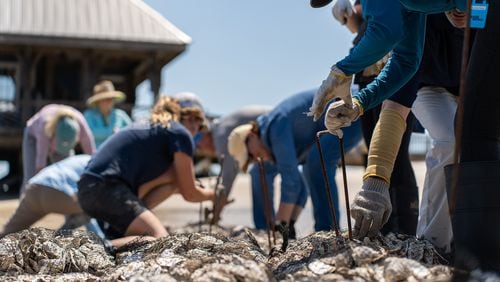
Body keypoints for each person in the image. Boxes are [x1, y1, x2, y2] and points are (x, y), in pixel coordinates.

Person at [77, 96, 214, 248]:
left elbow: (175, 185)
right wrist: (214, 195)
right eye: (191, 118)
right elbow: (190, 193)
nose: (195, 126)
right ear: (180, 115)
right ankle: (91, 250)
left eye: (199, 123)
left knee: (174, 183)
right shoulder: (180, 133)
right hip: (107, 188)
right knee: (160, 240)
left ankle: (107, 245)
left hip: (89, 189)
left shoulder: (152, 128)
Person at [332, 0, 419, 236]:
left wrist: (352, 11)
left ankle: (405, 230)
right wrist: (348, 18)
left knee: (396, 156)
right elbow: (362, 27)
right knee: (373, 151)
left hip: (393, 74)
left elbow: (388, 25)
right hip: (369, 79)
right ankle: (383, 226)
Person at [227, 90, 362, 236]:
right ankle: (325, 230)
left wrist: (280, 225)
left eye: (250, 155)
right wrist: (289, 224)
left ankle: (327, 232)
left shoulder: (275, 127)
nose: (255, 159)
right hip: (342, 113)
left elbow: (291, 183)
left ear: (252, 136)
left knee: (317, 162)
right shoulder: (271, 137)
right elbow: (300, 188)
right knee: (311, 166)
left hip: (352, 107)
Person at [196, 105, 272, 222]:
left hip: (274, 133)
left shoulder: (221, 137)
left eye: (197, 141)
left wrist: (216, 214)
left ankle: (268, 225)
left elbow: (228, 177)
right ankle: (281, 224)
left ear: (205, 133)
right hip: (274, 133)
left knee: (258, 173)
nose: (199, 148)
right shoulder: (222, 127)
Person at [1, 155, 103, 238]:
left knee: (9, 232)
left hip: (33, 188)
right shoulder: (98, 164)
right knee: (91, 207)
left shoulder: (81, 158)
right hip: (57, 193)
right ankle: (57, 240)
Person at [22, 104, 95, 194]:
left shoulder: (81, 125)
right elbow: (40, 164)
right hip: (33, 137)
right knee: (31, 177)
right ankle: (27, 202)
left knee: (68, 174)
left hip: (55, 139)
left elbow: (92, 157)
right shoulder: (45, 126)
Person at [84, 80, 132, 148]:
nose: (109, 102)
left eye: (110, 99)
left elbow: (131, 131)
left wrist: (121, 133)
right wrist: (113, 132)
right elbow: (88, 133)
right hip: (96, 154)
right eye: (105, 99)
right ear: (98, 101)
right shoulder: (89, 115)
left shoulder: (120, 114)